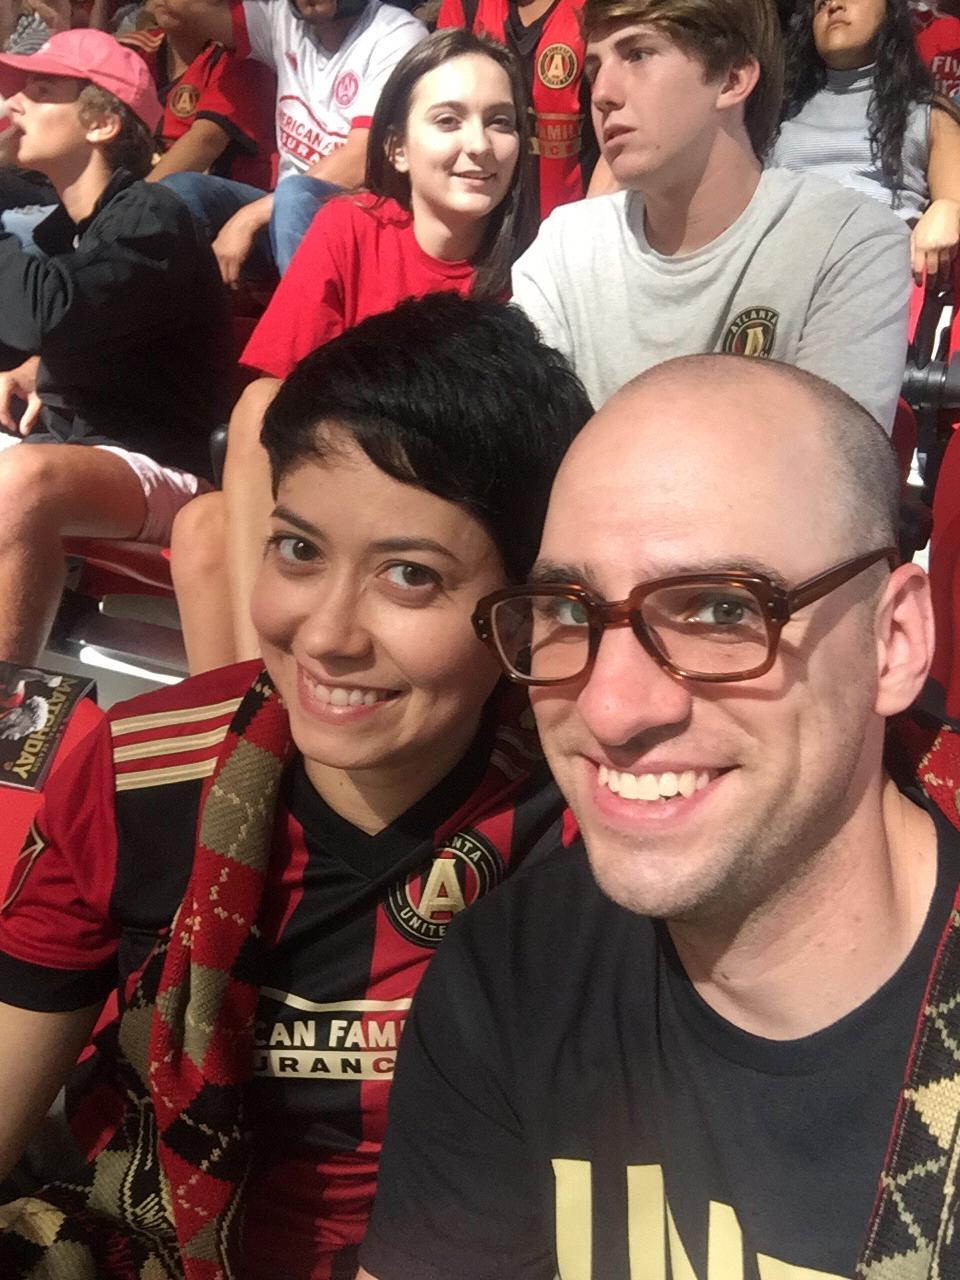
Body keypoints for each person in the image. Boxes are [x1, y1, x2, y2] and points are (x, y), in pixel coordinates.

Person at [0, 293, 593, 1280]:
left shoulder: (577, 835)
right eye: (300, 549)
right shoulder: (140, 771)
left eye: (410, 575)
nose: (325, 634)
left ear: (520, 612)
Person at [356, 353, 955, 1280]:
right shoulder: (514, 976)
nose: (610, 710)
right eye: (565, 611)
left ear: (893, 642)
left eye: (719, 609)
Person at [171, 29, 529, 674]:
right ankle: (252, 692)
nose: (480, 145)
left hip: (434, 516)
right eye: (449, 120)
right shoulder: (350, 228)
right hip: (328, 486)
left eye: (500, 122)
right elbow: (274, 408)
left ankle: (265, 693)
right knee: (204, 521)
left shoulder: (533, 271)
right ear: (396, 147)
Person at [511, 0, 911, 428]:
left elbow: (825, 461)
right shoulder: (566, 245)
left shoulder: (848, 244)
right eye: (594, 69)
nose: (602, 94)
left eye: (637, 54)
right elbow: (512, 434)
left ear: (732, 78)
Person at [0, 28, 233, 668]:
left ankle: (8, 704)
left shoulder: (154, 214)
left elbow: (54, 312)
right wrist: (26, 368)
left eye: (41, 90)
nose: (14, 103)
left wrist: (36, 351)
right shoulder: (62, 235)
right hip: (83, 456)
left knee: (21, 483)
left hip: (166, 468)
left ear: (102, 122)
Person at [158, 0, 427, 281]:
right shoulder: (280, 17)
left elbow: (362, 159)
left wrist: (249, 217)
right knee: (179, 192)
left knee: (293, 197)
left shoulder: (396, 33)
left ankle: (308, 309)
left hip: (360, 221)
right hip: (281, 214)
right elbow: (184, 6)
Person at [774, 0, 960, 288]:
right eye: (821, 4)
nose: (833, 5)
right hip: (780, 272)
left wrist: (949, 207)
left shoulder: (928, 112)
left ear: (890, 11)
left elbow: (954, 197)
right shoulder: (779, 111)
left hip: (877, 278)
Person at [435, 0, 603, 238]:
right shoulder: (465, 6)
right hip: (482, 229)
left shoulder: (595, 9)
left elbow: (621, 124)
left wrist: (591, 226)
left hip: (571, 229)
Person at [118, 0, 277, 190]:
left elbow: (206, 142)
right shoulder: (131, 49)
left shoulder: (243, 59)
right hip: (140, 191)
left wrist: (130, 204)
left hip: (214, 196)